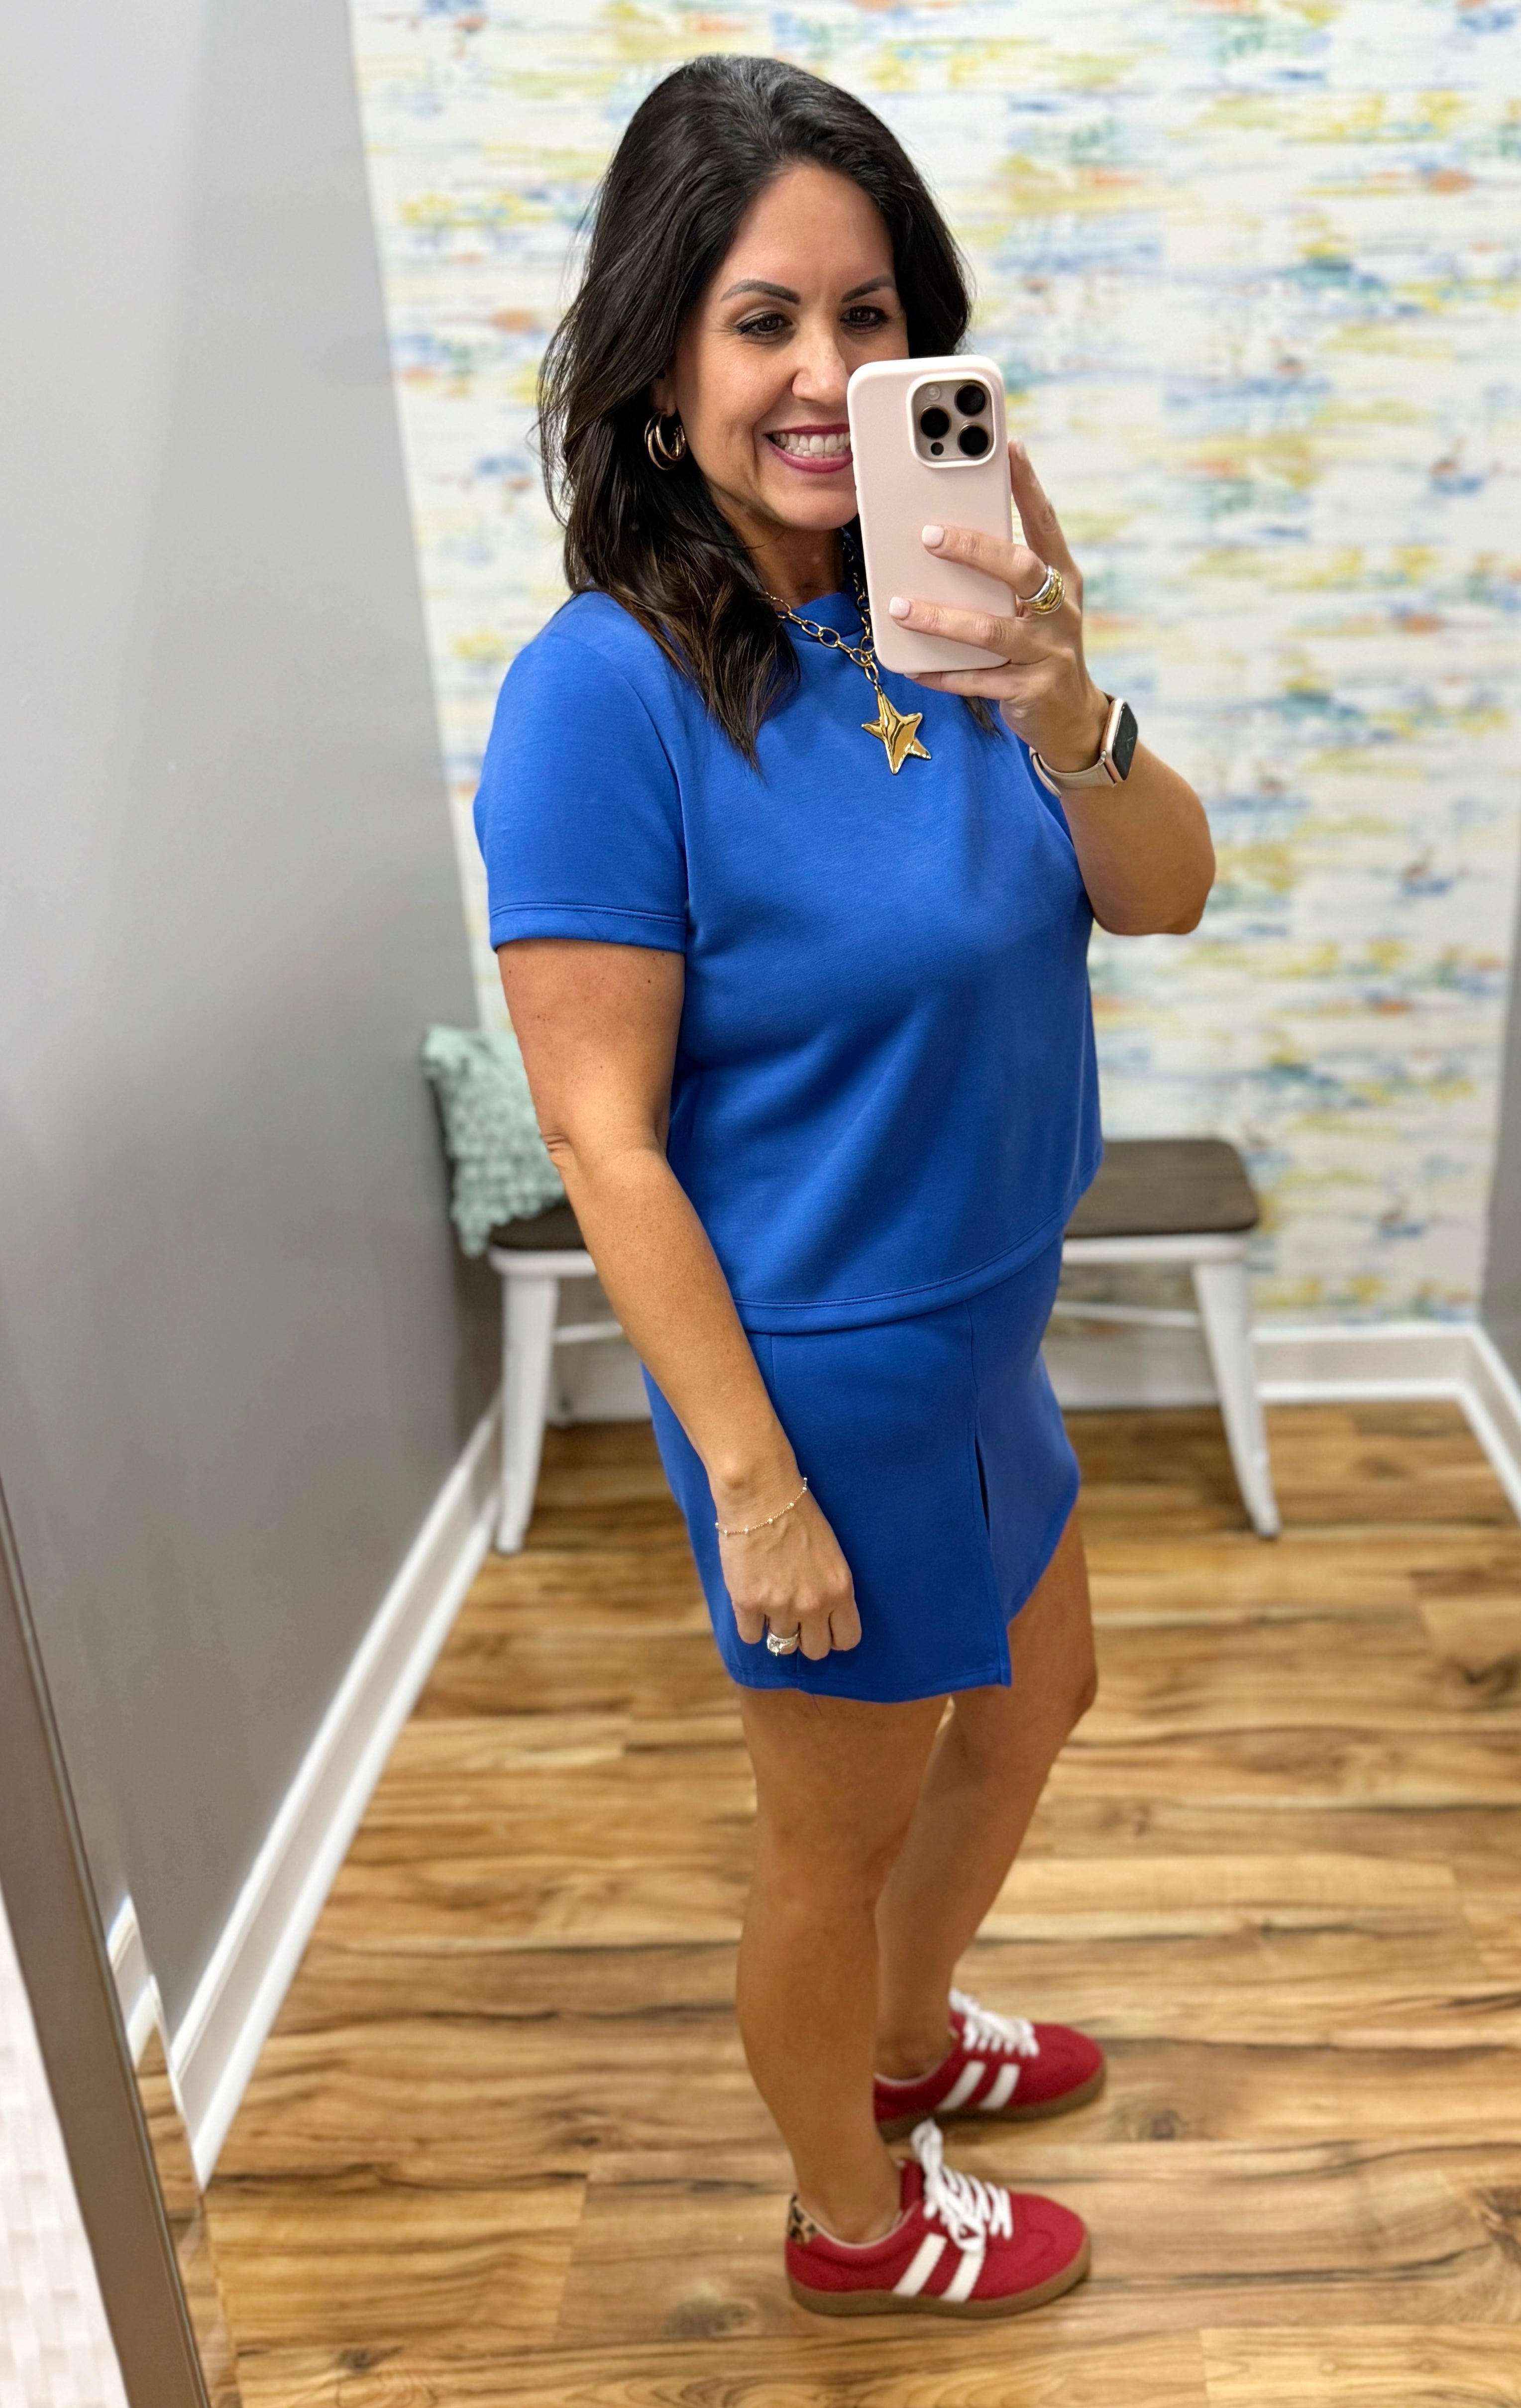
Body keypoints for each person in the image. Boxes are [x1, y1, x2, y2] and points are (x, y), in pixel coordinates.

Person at [475, 52, 1214, 2322]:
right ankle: (846, 2220)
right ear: (659, 358)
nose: (829, 375)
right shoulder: (601, 699)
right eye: (762, 320)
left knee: (1037, 1700)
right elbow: (604, 1136)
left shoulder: (967, 600)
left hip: (992, 1305)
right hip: (820, 1365)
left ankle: (906, 2043)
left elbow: (1160, 891)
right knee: (835, 1829)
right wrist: (752, 1485)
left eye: (871, 314)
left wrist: (1062, 693)